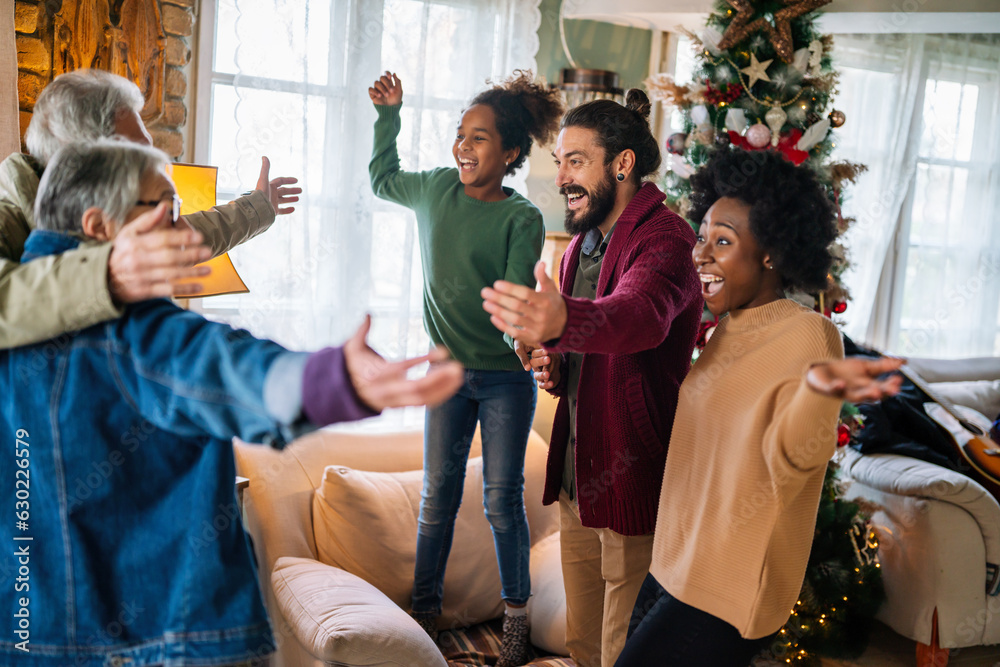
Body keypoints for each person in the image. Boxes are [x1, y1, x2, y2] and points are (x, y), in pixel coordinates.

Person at [0, 140, 463, 667]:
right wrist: (331, 380)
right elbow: (225, 366)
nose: (180, 231)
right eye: (164, 211)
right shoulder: (131, 330)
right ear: (100, 226)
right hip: (164, 640)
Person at [612, 148, 904, 666]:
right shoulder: (728, 329)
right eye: (701, 237)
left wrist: (819, 392)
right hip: (673, 563)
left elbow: (796, 461)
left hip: (728, 582)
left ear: (770, 252)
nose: (700, 254)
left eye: (722, 241)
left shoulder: (810, 335)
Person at [481, 90, 703, 667]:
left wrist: (562, 320)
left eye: (576, 160)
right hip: (580, 482)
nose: (561, 178)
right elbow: (583, 356)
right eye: (559, 162)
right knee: (582, 644)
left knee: (620, 651)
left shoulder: (666, 240)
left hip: (633, 478)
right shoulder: (577, 247)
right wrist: (553, 360)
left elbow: (640, 319)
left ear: (622, 164)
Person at [368, 69, 563, 665]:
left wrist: (521, 344)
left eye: (479, 138)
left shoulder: (521, 218)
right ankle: (423, 614)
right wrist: (390, 115)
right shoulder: (432, 190)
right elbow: (382, 180)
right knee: (438, 497)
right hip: (448, 378)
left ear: (508, 153)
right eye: (461, 133)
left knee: (502, 502)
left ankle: (516, 622)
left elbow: (510, 299)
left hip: (506, 380)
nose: (464, 145)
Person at [0, 68, 301, 348]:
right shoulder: (7, 218)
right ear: (81, 158)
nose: (154, 162)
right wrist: (107, 274)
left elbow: (188, 234)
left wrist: (258, 208)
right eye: (135, 150)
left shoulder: (111, 208)